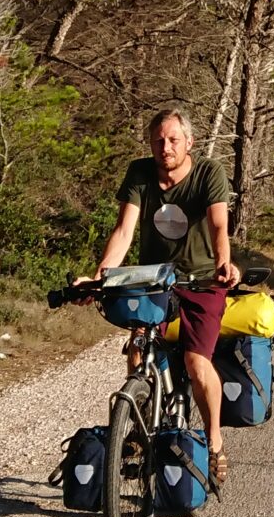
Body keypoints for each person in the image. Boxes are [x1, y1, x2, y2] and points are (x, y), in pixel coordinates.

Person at [76, 108, 241, 493]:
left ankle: (214, 439)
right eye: (158, 140)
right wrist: (100, 277)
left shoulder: (207, 173)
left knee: (196, 361)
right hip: (155, 280)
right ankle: (137, 424)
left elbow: (219, 224)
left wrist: (223, 263)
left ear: (189, 143)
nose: (165, 148)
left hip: (202, 281)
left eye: (172, 140)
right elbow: (124, 230)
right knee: (138, 345)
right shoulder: (140, 173)